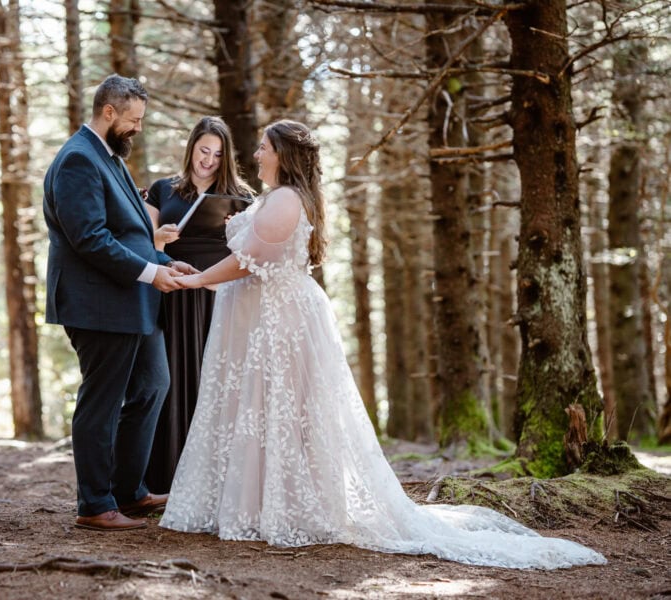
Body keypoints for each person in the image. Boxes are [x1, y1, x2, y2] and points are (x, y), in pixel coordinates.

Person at [158, 120, 606, 569]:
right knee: (260, 407)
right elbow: (257, 257)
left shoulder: (286, 199)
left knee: (279, 407)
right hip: (262, 313)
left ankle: (283, 504)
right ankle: (256, 502)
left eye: (263, 148)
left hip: (278, 319)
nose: (256, 155)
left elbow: (248, 261)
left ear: (284, 155)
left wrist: (197, 278)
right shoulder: (279, 199)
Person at [43, 74, 197, 532]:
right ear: (107, 113)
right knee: (101, 403)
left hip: (133, 299)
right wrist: (152, 273)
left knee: (152, 385)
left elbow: (131, 232)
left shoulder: (108, 157)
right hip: (98, 305)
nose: (138, 128)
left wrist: (166, 260)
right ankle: (94, 503)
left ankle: (129, 491)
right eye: (133, 120)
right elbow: (90, 238)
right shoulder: (77, 160)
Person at [142, 116, 255, 494]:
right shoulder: (162, 190)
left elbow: (253, 252)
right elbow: (144, 245)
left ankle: (221, 479)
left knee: (220, 379)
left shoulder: (243, 196)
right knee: (171, 379)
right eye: (203, 150)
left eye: (217, 154)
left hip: (221, 294)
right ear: (191, 147)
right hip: (174, 290)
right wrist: (159, 239)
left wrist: (239, 226)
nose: (208, 160)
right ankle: (167, 478)